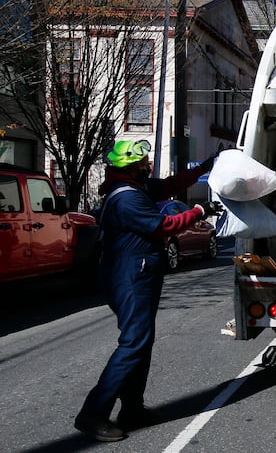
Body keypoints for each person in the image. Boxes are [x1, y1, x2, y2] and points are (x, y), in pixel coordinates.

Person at [74, 139, 221, 442]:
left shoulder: (134, 187)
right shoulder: (126, 198)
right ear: (130, 167)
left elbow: (168, 186)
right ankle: (93, 413)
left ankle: (132, 408)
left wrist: (204, 168)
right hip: (130, 278)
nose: (147, 167)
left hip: (137, 275)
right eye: (143, 164)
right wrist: (198, 210)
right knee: (132, 344)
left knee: (141, 343)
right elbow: (163, 225)